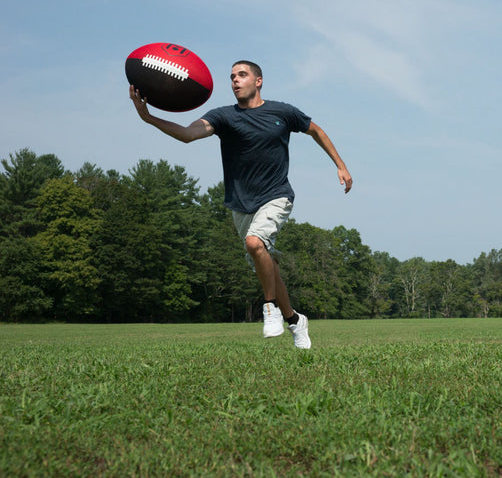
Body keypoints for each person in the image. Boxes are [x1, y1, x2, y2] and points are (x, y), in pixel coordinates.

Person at [129, 60, 352, 348]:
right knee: (265, 261)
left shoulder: (282, 112)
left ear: (258, 81)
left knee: (254, 243)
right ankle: (296, 320)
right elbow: (188, 134)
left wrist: (340, 165)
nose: (235, 80)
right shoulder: (222, 117)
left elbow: (316, 131)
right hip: (240, 204)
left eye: (242, 75)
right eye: (232, 76)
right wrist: (149, 118)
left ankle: (269, 308)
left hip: (276, 195)